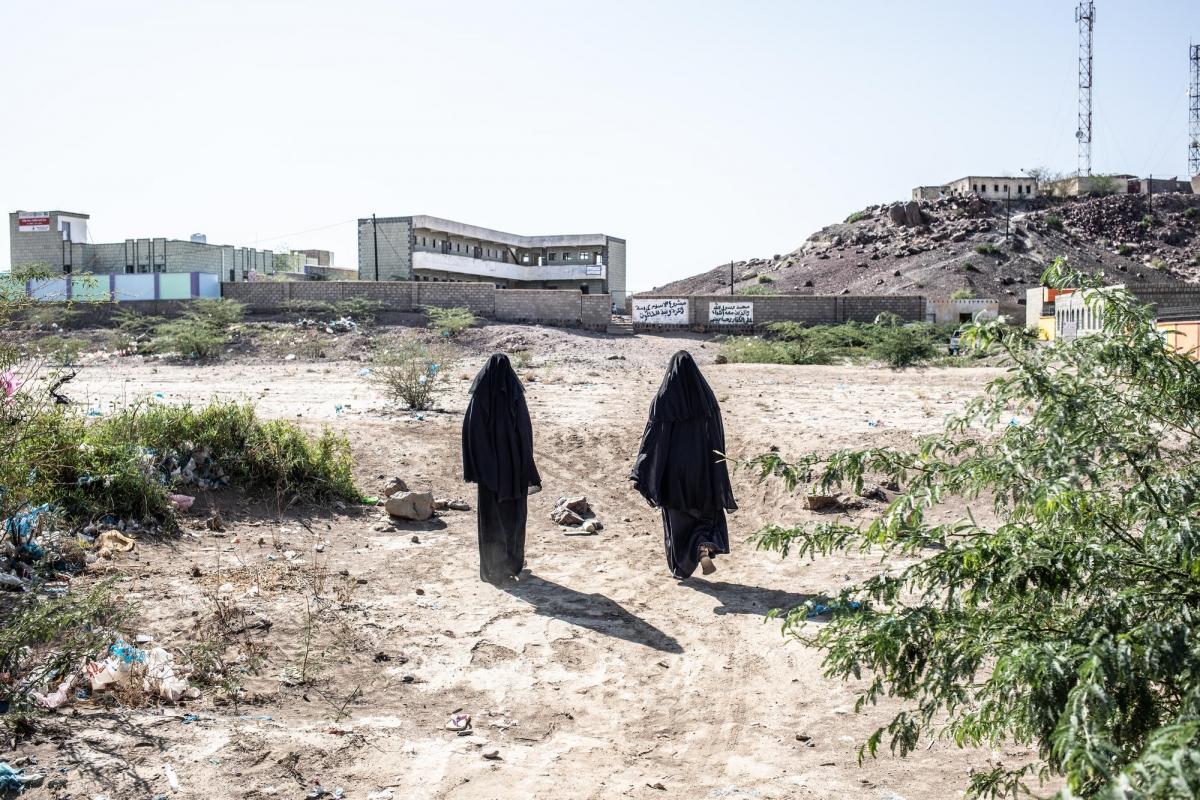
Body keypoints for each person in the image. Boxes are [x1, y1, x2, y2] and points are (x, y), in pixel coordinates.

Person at [630, 350, 736, 578]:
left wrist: (641, 471)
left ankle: (681, 567)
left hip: (673, 474)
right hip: (703, 471)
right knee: (705, 514)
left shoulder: (663, 401)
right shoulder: (706, 399)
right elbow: (717, 435)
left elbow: (652, 439)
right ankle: (703, 545)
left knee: (677, 519)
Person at [462, 353, 542, 584]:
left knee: (491, 518)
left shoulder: (480, 398)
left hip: (490, 474)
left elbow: (471, 435)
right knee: (513, 517)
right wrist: (524, 466)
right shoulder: (516, 397)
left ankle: (493, 568)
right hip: (513, 470)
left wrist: (482, 468)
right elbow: (525, 435)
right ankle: (511, 564)